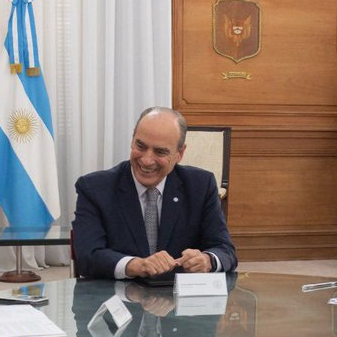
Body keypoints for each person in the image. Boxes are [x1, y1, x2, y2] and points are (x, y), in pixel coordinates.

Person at [72, 107, 237, 280]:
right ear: (132, 140)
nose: (146, 160)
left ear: (180, 153)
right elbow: (87, 257)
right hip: (117, 300)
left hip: (180, 300)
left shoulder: (201, 186)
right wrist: (135, 265)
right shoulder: (95, 188)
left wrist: (207, 260)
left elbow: (225, 251)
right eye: (140, 146)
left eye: (160, 152)